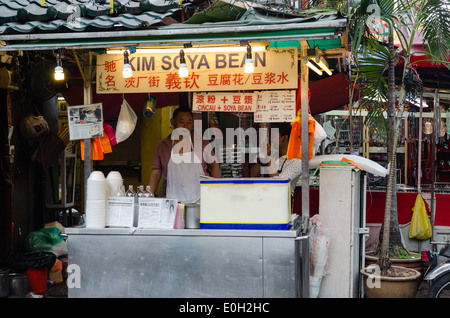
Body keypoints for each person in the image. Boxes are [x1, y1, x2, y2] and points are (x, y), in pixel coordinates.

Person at [148, 107, 220, 204]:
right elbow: (156, 174)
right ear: (173, 122)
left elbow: (214, 165)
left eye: (189, 122)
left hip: (201, 199)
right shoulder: (163, 145)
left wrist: (216, 190)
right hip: (173, 201)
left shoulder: (201, 141)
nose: (186, 126)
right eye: (181, 122)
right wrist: (148, 197)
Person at [250, 122, 302, 197]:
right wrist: (262, 158)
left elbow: (278, 183)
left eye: (273, 136)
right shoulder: (272, 153)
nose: (270, 139)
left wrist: (269, 157)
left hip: (280, 202)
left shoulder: (296, 162)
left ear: (284, 138)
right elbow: (253, 175)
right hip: (262, 197)